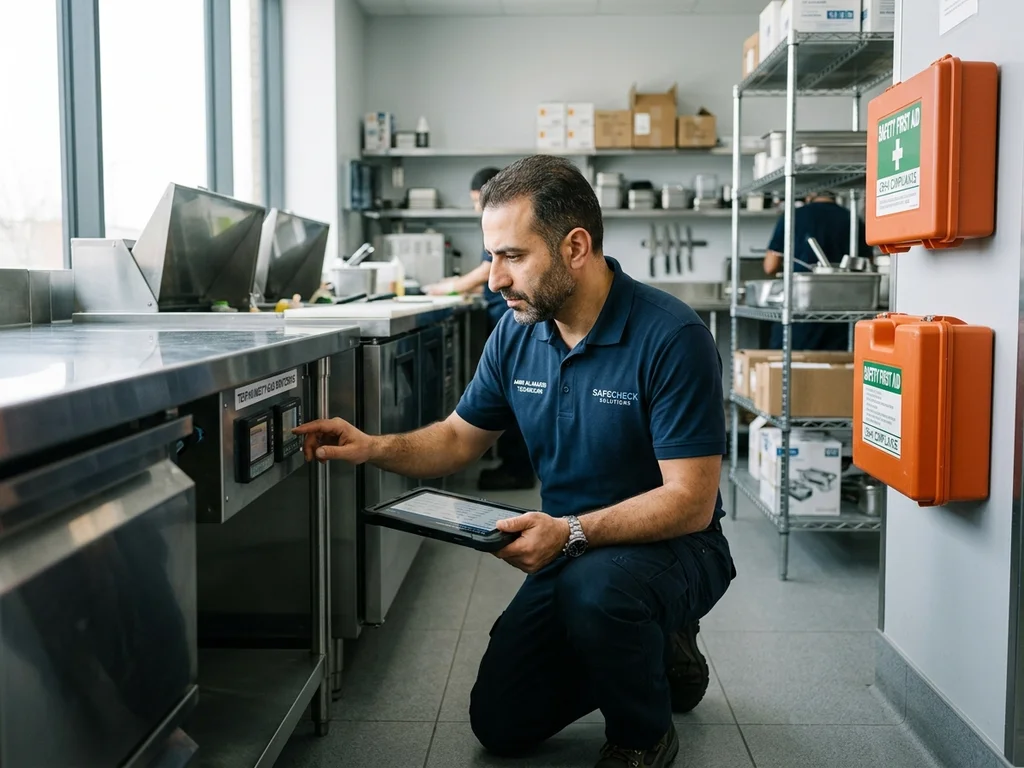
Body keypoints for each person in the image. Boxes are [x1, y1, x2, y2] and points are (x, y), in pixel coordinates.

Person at [294, 155, 736, 768]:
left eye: (512, 256)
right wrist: (373, 447)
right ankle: (657, 650)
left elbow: (690, 501)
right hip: (571, 547)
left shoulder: (671, 336)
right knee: (500, 723)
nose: (494, 279)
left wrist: (572, 532)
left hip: (676, 545)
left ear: (575, 247)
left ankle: (644, 734)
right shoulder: (517, 332)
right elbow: (455, 439)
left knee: (598, 593)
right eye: (492, 256)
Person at [424, 166, 536, 491]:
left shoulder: (505, 224)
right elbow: (491, 278)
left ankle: (517, 470)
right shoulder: (493, 228)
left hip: (513, 316)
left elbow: (487, 271)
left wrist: (453, 286)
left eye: (478, 199)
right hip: (501, 317)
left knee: (517, 392)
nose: (477, 207)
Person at [762, 191, 873, 350]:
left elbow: (770, 266)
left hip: (799, 313)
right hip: (842, 315)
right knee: (834, 370)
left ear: (809, 194)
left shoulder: (793, 216)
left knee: (793, 370)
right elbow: (867, 264)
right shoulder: (852, 219)